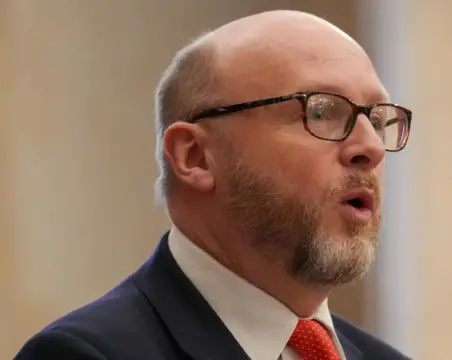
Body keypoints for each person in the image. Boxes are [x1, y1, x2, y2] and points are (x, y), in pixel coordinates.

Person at [15, 9, 412, 360]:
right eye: (323, 111)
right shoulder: (84, 353)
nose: (370, 148)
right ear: (195, 157)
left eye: (376, 120)